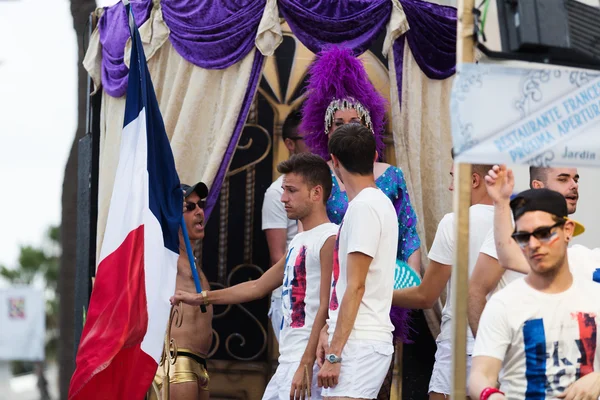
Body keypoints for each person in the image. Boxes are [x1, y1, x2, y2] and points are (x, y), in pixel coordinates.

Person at [300, 45, 427, 398]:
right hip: (331, 297)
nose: (345, 128)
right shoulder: (319, 179)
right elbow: (308, 239)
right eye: (338, 124)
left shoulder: (384, 185)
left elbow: (408, 236)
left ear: (368, 128)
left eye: (353, 123)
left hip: (369, 305)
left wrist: (401, 287)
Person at [172, 153, 338, 400]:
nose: (283, 198)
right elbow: (258, 286)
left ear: (316, 193)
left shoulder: (330, 237)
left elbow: (328, 306)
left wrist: (306, 361)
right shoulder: (300, 241)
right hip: (289, 360)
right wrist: (202, 297)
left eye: (291, 191)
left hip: (310, 362)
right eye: (283, 190)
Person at [468, 188, 600, 400]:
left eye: (543, 233)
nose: (533, 245)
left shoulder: (594, 296)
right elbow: (480, 374)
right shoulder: (504, 303)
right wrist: (491, 395)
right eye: (523, 237)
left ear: (568, 230)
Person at [391, 156, 494, 400]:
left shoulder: (454, 222)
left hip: (459, 347)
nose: (449, 187)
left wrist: (377, 293)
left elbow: (426, 296)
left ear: (474, 180)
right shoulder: (517, 222)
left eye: (453, 178)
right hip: (502, 348)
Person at [316, 124, 397, 399]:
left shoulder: (365, 207)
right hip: (356, 337)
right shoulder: (371, 204)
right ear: (374, 156)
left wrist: (335, 355)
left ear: (334, 162)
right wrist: (329, 329)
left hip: (360, 342)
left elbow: (356, 286)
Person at [468, 166, 599, 336]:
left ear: (568, 230)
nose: (574, 185)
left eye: (576, 179)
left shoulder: (581, 257)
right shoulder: (514, 227)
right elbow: (505, 260)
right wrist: (491, 351)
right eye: (563, 179)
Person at [152, 182, 213, 400]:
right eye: (190, 207)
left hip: (199, 364)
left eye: (201, 205)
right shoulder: (166, 256)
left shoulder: (191, 261)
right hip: (176, 364)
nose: (199, 212)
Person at [262, 109, 309, 342]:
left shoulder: (324, 185)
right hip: (291, 294)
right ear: (290, 143)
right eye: (308, 138)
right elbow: (277, 255)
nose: (316, 143)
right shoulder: (275, 193)